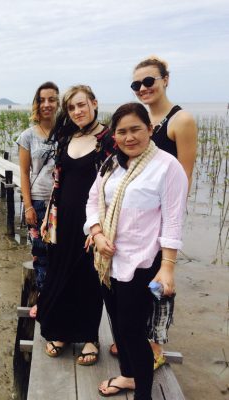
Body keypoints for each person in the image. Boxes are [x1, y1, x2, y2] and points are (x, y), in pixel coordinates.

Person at [85, 103, 188, 398]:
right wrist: (96, 232)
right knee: (117, 323)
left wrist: (167, 267)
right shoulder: (111, 164)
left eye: (135, 130)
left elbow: (173, 221)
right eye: (122, 132)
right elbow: (93, 201)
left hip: (143, 263)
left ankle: (143, 393)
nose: (129, 137)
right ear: (114, 135)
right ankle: (128, 375)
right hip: (107, 259)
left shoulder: (167, 167)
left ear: (150, 130)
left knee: (132, 331)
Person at [108, 56, 197, 369]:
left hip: (162, 220)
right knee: (136, 285)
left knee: (160, 286)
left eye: (149, 81)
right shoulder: (141, 120)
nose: (143, 88)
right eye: (136, 84)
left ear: (165, 80)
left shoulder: (180, 120)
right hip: (138, 220)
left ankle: (155, 346)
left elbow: (183, 178)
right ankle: (134, 338)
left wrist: (169, 234)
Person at [36, 85, 114, 364]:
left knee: (88, 277)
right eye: (71, 107)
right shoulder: (67, 135)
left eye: (82, 105)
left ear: (94, 103)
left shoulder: (108, 139)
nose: (78, 111)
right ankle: (62, 332)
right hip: (63, 218)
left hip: (93, 221)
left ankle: (90, 337)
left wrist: (101, 228)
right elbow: (59, 181)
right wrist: (47, 217)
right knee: (60, 271)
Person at [16, 82, 59, 318]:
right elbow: (23, 173)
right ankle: (44, 299)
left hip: (62, 203)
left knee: (61, 253)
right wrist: (29, 206)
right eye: (42, 100)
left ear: (58, 102)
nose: (47, 104)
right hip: (39, 201)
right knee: (41, 254)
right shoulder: (28, 136)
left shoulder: (66, 132)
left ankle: (61, 296)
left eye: (51, 99)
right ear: (36, 103)